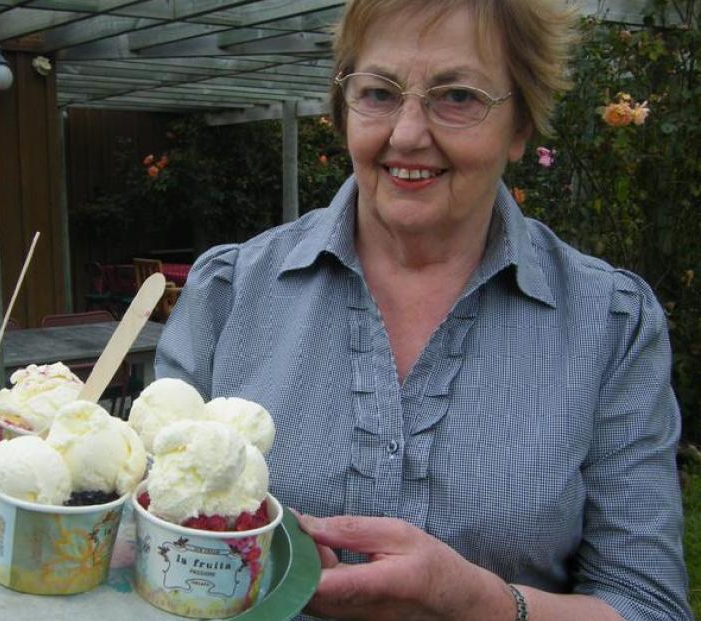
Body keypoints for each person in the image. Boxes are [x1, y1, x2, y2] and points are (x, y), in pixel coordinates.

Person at [155, 0, 691, 619]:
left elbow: (649, 602)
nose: (407, 134)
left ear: (520, 126)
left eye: (457, 96)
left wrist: (479, 603)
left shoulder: (609, 323)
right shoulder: (230, 293)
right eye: (379, 93)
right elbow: (147, 542)